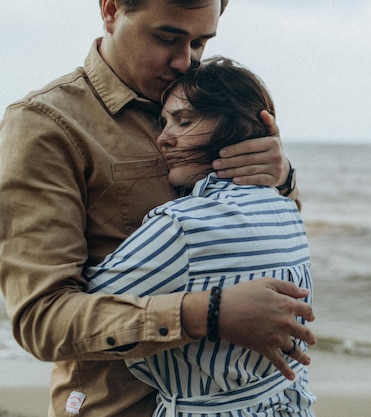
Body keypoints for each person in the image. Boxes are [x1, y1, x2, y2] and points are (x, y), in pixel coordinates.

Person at [0, 1, 315, 416]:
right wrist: (212, 312)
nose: (185, 61)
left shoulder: (214, 104)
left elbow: (265, 244)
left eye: (200, 42)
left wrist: (282, 179)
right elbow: (41, 321)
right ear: (111, 11)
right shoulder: (47, 125)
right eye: (167, 38)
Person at [85, 56, 316, 416]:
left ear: (238, 126)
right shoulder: (286, 209)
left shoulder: (182, 225)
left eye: (184, 121)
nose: (163, 138)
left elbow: (84, 314)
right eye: (164, 122)